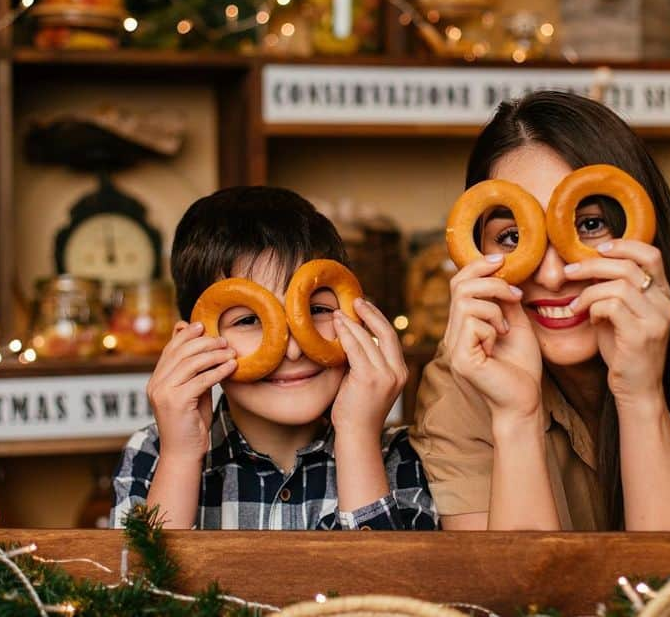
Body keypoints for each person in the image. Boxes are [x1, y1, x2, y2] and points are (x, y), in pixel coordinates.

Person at [410, 91, 670, 531]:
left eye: (590, 225)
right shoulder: (463, 386)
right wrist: (515, 418)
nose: (552, 275)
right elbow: (516, 599)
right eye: (512, 237)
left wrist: (641, 396)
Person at [112, 186, 437, 530]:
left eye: (316, 309)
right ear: (192, 343)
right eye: (249, 320)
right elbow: (143, 583)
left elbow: (388, 583)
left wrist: (357, 438)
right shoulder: (152, 454)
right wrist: (180, 458)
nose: (294, 349)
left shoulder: (402, 457)